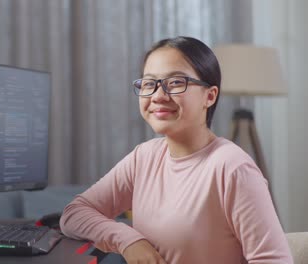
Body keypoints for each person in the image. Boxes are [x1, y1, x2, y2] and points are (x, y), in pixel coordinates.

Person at [59, 36, 293, 264]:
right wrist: (128, 239)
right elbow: (74, 214)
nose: (159, 96)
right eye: (149, 83)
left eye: (176, 83)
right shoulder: (145, 157)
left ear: (209, 96)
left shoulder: (231, 168)